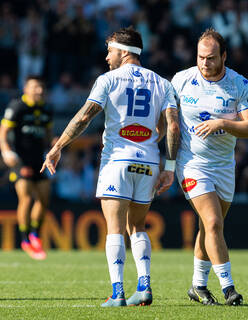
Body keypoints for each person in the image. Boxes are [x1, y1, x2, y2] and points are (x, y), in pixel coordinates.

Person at [40, 27, 180, 307]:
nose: (106, 57)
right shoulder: (162, 83)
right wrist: (170, 165)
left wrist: (57, 147)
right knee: (138, 226)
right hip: (149, 162)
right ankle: (144, 287)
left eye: (110, 50)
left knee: (115, 228)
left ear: (124, 51)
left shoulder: (108, 80)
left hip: (117, 160)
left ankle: (117, 292)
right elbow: (172, 125)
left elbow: (84, 117)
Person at [171, 28, 248, 306]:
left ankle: (197, 285)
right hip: (191, 163)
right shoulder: (182, 80)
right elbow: (167, 122)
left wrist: (222, 123)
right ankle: (229, 288)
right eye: (200, 57)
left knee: (209, 228)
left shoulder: (239, 84)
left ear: (224, 56)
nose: (204, 64)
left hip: (223, 166)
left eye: (210, 58)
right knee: (212, 222)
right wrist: (166, 162)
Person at [0, 75, 53, 260]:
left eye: (41, 87)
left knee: (45, 198)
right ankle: (25, 240)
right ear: (26, 88)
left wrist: (56, 146)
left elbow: (48, 135)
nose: (39, 91)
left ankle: (35, 235)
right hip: (20, 160)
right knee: (26, 197)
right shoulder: (17, 107)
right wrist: (6, 151)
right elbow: (3, 131)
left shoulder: (46, 109)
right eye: (35, 87)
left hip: (39, 161)